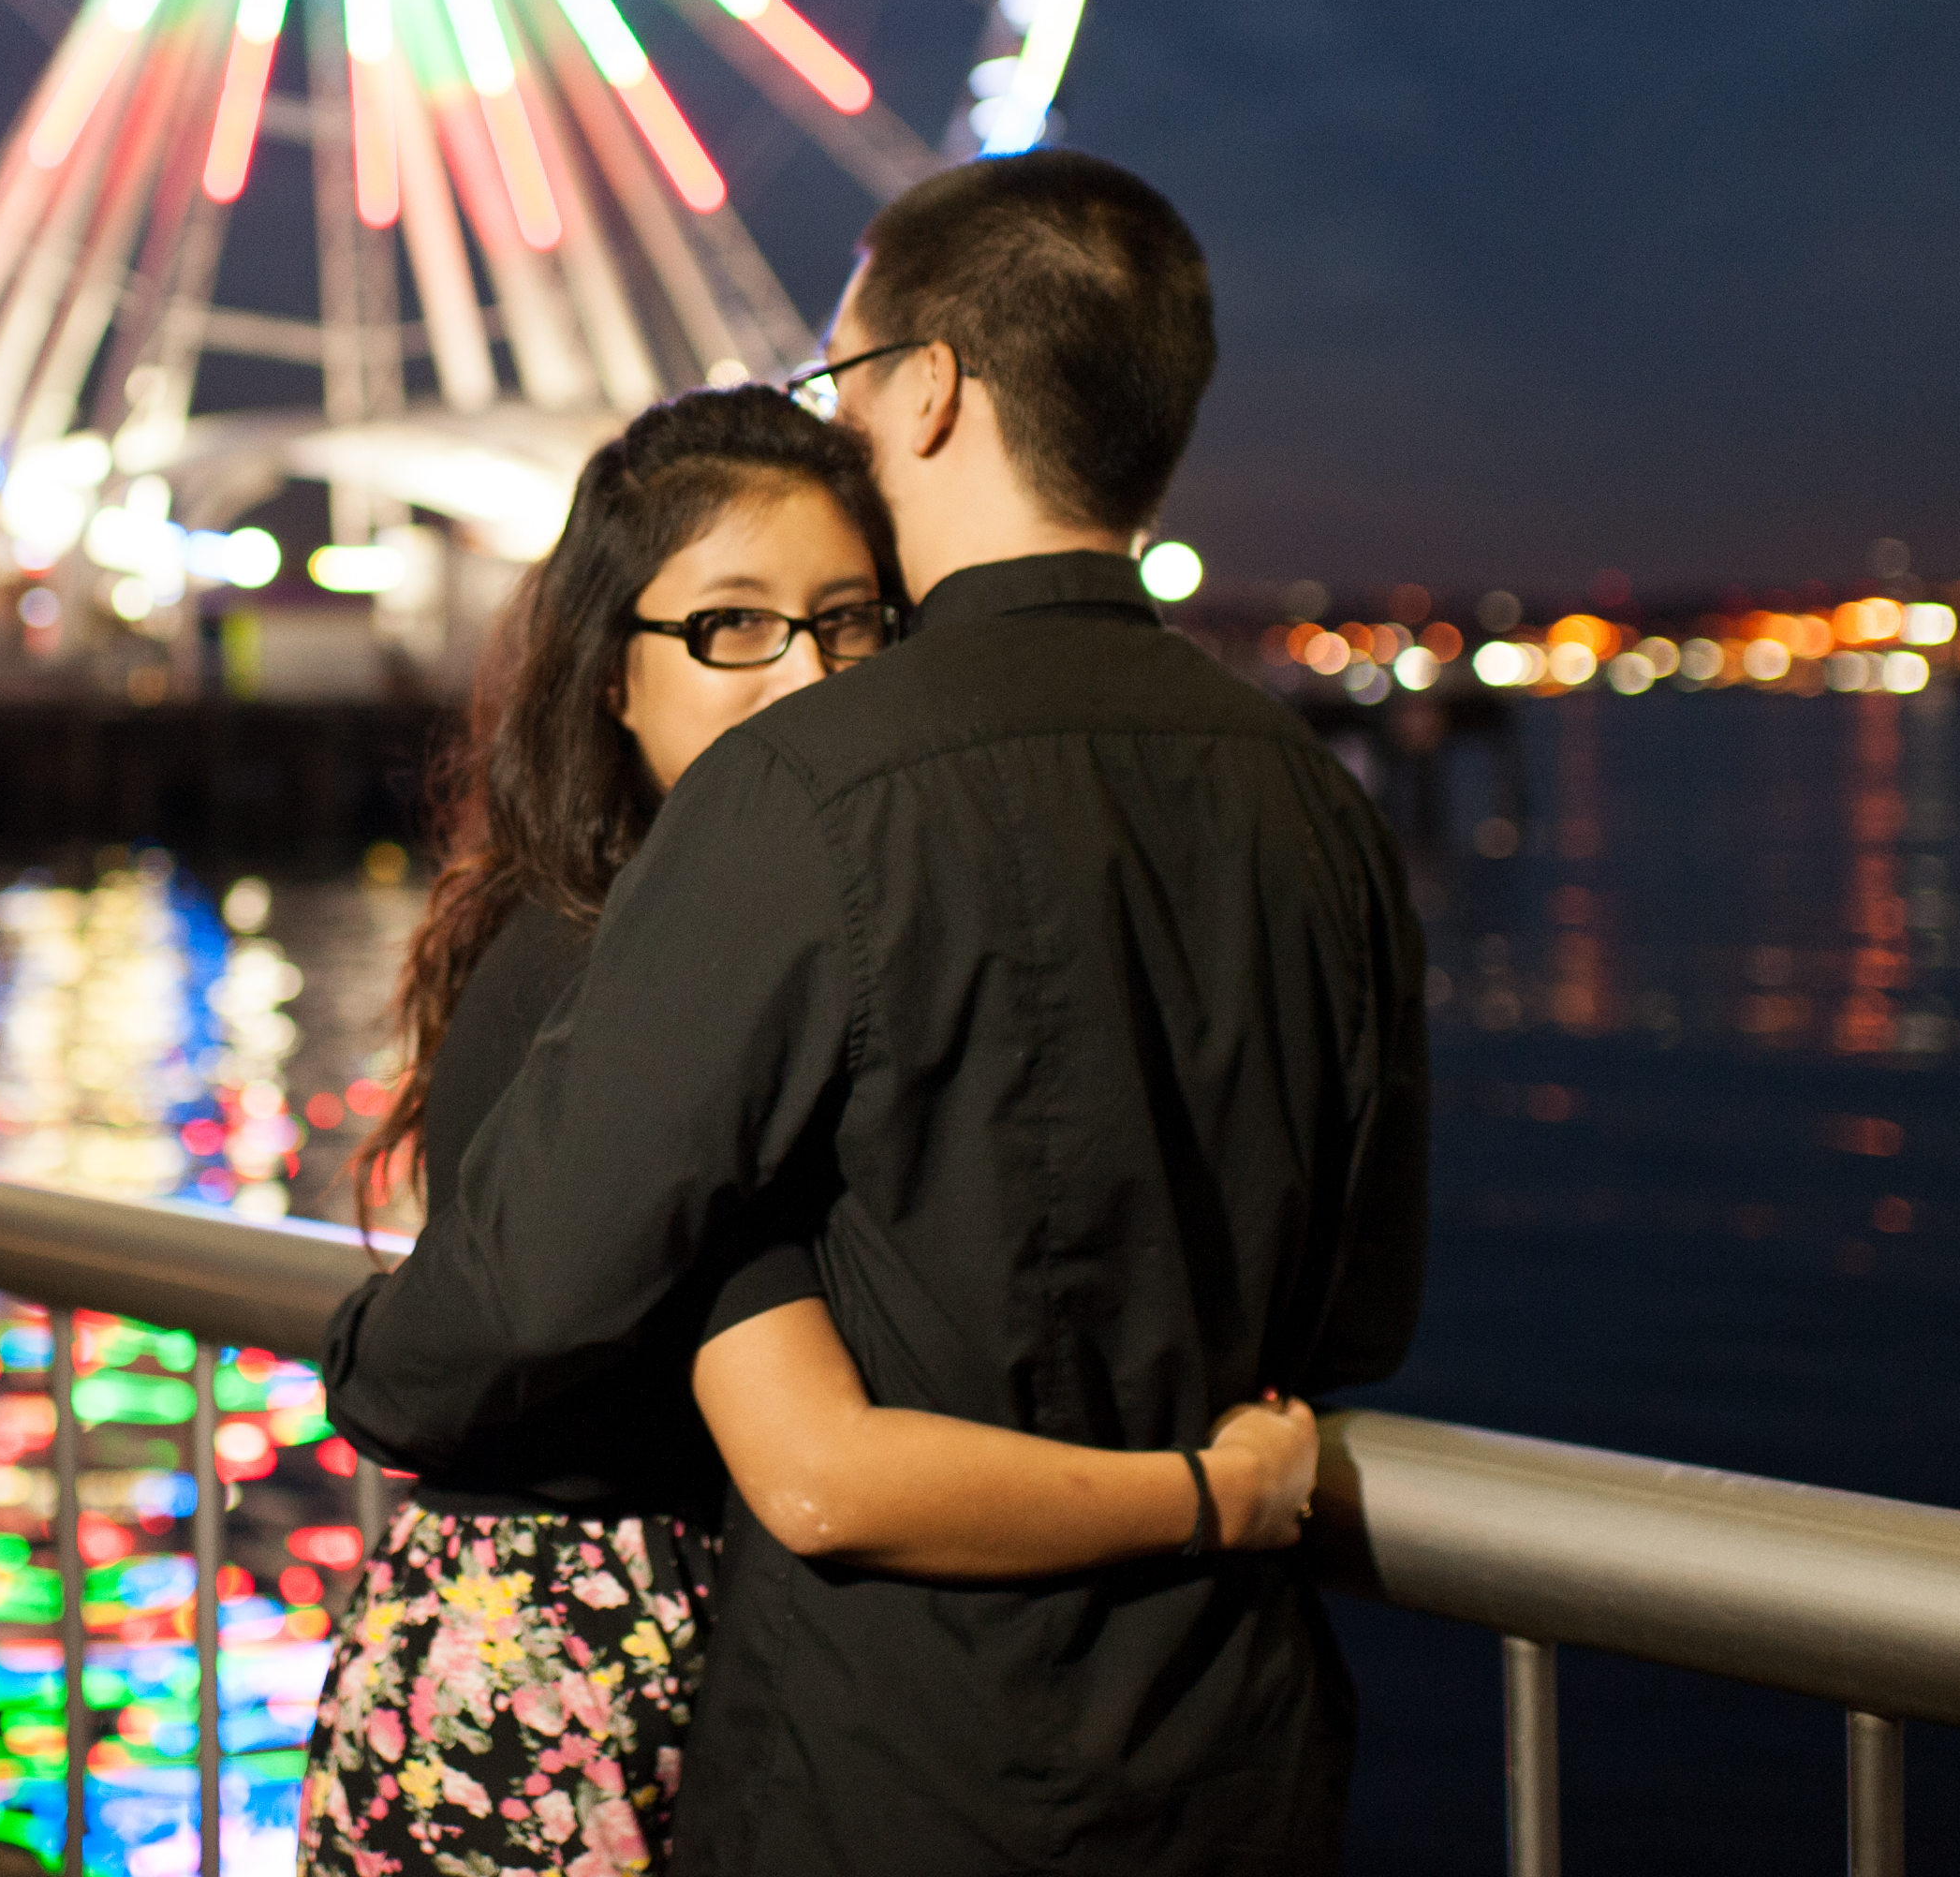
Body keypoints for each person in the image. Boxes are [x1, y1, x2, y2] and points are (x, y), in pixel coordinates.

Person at [324, 152, 1429, 1875]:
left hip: (895, 1757)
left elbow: (516, 1304)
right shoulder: (1322, 808)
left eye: (839, 381)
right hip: (1240, 1758)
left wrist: (361, 1357)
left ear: (929, 394)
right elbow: (1358, 1316)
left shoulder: (805, 798)